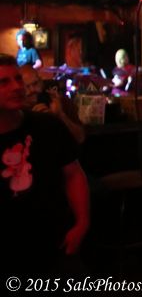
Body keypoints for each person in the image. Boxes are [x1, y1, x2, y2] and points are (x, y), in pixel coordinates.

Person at [0, 54, 90, 276]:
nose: (17, 87)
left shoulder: (47, 125)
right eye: (4, 82)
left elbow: (73, 174)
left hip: (54, 244)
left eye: (18, 79)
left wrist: (81, 224)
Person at [20, 66, 85, 145]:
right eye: (26, 86)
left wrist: (60, 115)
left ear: (41, 82)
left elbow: (80, 138)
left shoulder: (61, 102)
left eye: (35, 83)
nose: (32, 90)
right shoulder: (17, 110)